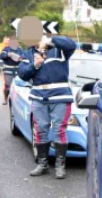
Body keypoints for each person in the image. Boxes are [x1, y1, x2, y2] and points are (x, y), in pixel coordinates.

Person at [18, 34, 77, 179]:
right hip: (38, 97)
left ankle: (60, 166)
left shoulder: (59, 49)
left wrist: (52, 40)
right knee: (41, 129)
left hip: (60, 97)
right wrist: (34, 65)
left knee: (59, 130)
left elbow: (71, 45)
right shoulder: (28, 53)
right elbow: (22, 74)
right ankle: (42, 164)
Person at [0, 37, 25, 105]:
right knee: (8, 85)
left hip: (17, 69)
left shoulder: (20, 49)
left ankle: (17, 101)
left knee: (18, 86)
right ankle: (5, 99)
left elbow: (24, 57)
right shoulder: (6, 49)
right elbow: (1, 56)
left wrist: (21, 58)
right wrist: (8, 54)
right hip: (8, 69)